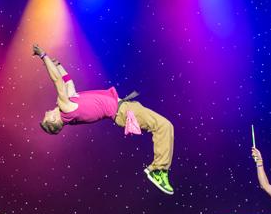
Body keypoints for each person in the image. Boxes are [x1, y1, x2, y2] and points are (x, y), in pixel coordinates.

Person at [32, 44, 175, 195]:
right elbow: (57, 81)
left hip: (124, 107)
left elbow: (67, 82)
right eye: (46, 115)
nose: (47, 111)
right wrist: (43, 56)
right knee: (164, 126)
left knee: (163, 125)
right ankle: (158, 170)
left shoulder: (71, 103)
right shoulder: (66, 109)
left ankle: (158, 169)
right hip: (124, 111)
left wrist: (58, 65)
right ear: (53, 120)